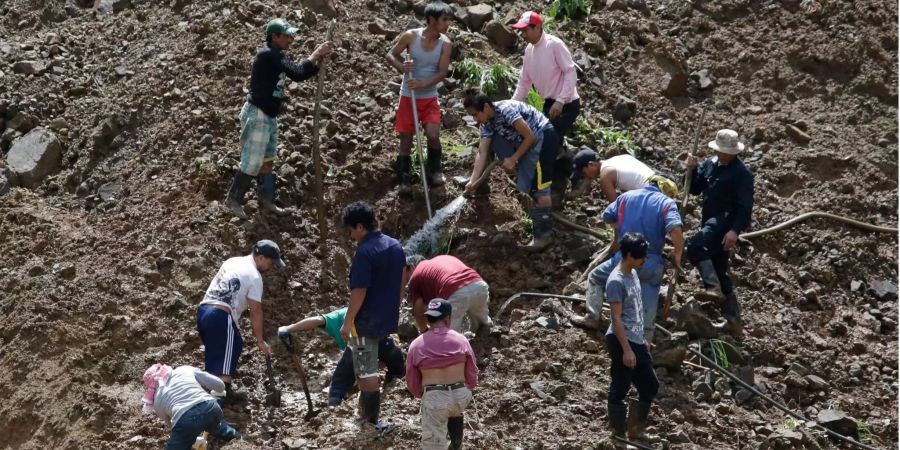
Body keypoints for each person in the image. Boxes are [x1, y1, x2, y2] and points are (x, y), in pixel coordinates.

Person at [225, 18, 334, 218]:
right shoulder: (268, 54)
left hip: (268, 116)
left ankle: (267, 201)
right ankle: (233, 200)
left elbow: (300, 73)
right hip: (257, 113)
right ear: (274, 37)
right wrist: (317, 53)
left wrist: (318, 62)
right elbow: (298, 72)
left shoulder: (276, 55)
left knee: (267, 161)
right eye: (286, 35)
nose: (290, 39)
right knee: (252, 160)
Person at [572, 176, 683, 342]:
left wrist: (619, 234)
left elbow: (608, 216)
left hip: (624, 259)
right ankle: (644, 341)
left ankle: (592, 317)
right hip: (649, 262)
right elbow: (675, 230)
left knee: (595, 278)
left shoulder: (625, 197)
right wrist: (678, 254)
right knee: (647, 300)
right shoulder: (666, 203)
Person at [463, 88, 561, 250]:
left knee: (540, 187)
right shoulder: (487, 124)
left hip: (543, 137)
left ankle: (544, 236)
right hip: (525, 143)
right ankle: (542, 221)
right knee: (532, 185)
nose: (475, 119)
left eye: (475, 114)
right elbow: (482, 152)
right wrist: (473, 180)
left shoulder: (506, 110)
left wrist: (514, 159)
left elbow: (531, 136)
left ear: (486, 107)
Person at [338, 201, 406, 426]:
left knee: (366, 369)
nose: (352, 236)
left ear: (359, 227)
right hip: (387, 315)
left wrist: (347, 323)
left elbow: (359, 290)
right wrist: (397, 304)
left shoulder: (364, 252)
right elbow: (401, 279)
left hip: (366, 320)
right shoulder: (395, 245)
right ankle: (398, 370)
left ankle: (370, 420)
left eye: (351, 231)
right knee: (380, 347)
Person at [196, 240, 285, 402]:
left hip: (203, 311)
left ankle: (214, 388)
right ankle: (221, 396)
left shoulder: (233, 261)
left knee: (232, 343)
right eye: (271, 263)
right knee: (226, 353)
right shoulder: (255, 277)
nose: (271, 267)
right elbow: (255, 311)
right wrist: (260, 341)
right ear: (261, 258)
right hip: (220, 315)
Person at [685, 129, 754, 335]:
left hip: (724, 222)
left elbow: (745, 207)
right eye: (721, 151)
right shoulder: (709, 164)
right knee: (719, 267)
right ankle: (733, 320)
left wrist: (734, 230)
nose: (724, 155)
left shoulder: (742, 174)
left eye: (728, 152)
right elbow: (694, 189)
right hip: (709, 219)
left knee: (695, 245)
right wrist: (691, 170)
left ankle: (712, 287)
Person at [385, 2, 453, 190]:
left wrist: (422, 84)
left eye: (449, 20)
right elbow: (391, 54)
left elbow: (442, 73)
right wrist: (401, 67)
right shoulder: (410, 36)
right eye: (444, 20)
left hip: (429, 96)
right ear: (431, 19)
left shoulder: (445, 44)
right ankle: (404, 177)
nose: (447, 24)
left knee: (432, 134)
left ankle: (435, 170)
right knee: (406, 138)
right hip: (408, 96)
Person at [277, 307, 405, 406]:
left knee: (339, 383)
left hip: (357, 341)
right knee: (395, 360)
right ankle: (396, 380)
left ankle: (334, 406)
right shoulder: (367, 309)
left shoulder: (339, 315)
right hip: (381, 338)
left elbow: (316, 320)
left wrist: (289, 328)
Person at [603, 233, 659, 447]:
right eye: (640, 257)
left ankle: (636, 430)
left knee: (650, 385)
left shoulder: (633, 273)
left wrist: (642, 338)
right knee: (620, 387)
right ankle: (618, 436)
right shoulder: (616, 281)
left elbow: (635, 310)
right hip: (621, 340)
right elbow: (616, 318)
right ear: (628, 256)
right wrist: (626, 349)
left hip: (635, 339)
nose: (644, 260)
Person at [406, 300, 478, 450]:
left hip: (435, 397)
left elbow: (412, 380)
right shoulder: (461, 340)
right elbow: (472, 371)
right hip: (461, 396)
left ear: (428, 319)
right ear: (447, 319)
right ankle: (456, 443)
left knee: (433, 443)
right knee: (453, 410)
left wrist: (422, 395)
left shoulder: (417, 344)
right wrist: (468, 388)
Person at [511, 11, 580, 144]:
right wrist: (512, 105)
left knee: (549, 140)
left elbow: (570, 72)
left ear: (537, 27)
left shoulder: (554, 45)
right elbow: (524, 83)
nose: (523, 35)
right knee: (549, 142)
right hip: (549, 104)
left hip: (567, 104)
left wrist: (560, 101)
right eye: (521, 31)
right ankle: (563, 158)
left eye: (525, 30)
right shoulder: (529, 50)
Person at [142, 364, 241, 450]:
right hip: (210, 406)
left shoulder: (157, 398)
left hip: (185, 418)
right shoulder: (184, 369)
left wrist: (189, 437)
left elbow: (171, 424)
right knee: (216, 426)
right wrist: (218, 391)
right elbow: (220, 385)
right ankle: (238, 439)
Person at [405, 254, 493, 334]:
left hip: (456, 293)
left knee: (447, 337)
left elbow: (418, 309)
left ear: (412, 267)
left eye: (405, 275)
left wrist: (424, 330)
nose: (406, 282)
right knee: (483, 327)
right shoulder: (442, 259)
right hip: (478, 286)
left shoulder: (415, 276)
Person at [570, 149, 670, 201]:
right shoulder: (619, 158)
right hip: (664, 184)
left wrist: (616, 239)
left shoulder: (605, 175)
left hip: (653, 196)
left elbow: (616, 209)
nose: (586, 177)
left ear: (591, 165)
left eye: (584, 173)